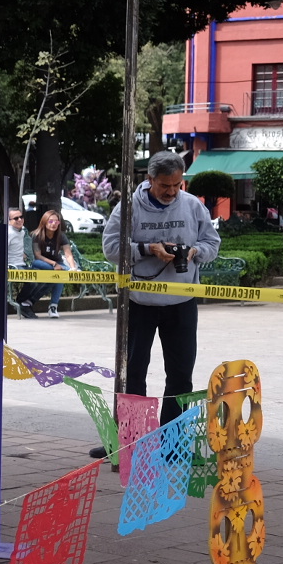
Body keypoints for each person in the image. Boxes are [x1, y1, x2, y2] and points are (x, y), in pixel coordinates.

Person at [104, 150, 220, 427]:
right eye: (165, 185)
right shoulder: (129, 207)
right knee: (132, 373)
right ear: (150, 179)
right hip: (139, 302)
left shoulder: (192, 205)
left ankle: (171, 438)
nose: (171, 192)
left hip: (182, 301)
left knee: (181, 375)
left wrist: (194, 252)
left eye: (177, 185)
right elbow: (111, 248)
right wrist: (148, 249)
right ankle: (130, 438)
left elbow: (212, 243)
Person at [30, 208, 78, 317]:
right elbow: (37, 256)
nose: (53, 224)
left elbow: (68, 254)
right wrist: (54, 264)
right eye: (51, 221)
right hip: (40, 262)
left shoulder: (61, 235)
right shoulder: (36, 235)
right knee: (59, 273)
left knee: (60, 275)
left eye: (56, 222)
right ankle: (47, 304)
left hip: (58, 264)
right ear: (44, 221)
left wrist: (73, 268)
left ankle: (53, 306)